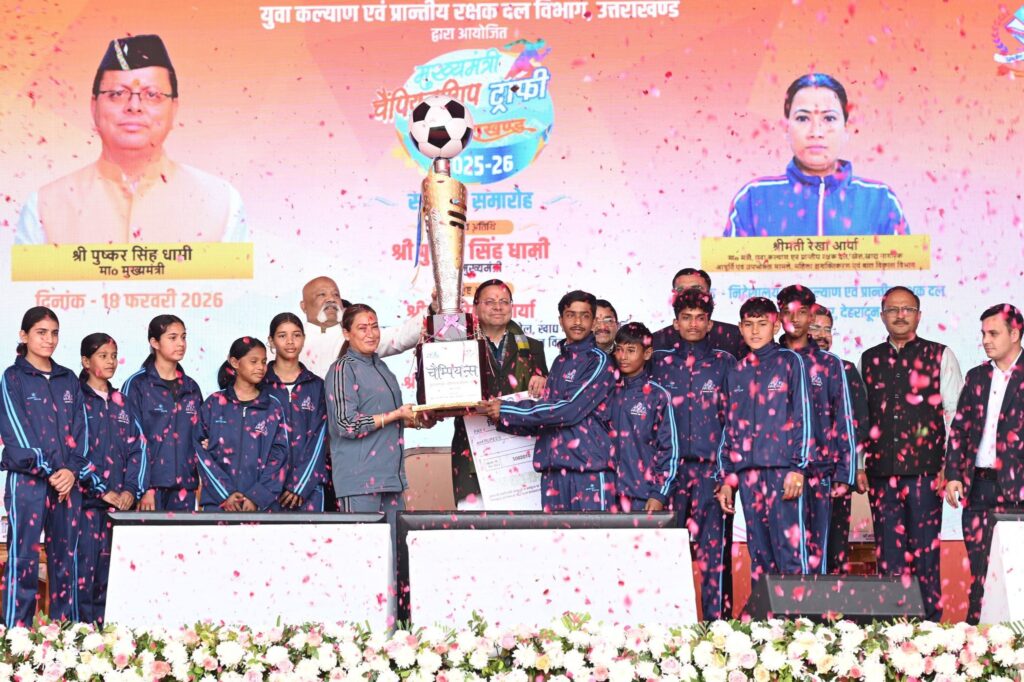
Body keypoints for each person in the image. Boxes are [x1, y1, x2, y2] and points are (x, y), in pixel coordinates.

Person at [16, 34, 246, 244]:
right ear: (94, 106)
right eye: (117, 94)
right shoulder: (44, 207)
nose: (134, 106)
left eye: (152, 95)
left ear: (174, 108)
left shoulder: (222, 203)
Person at [860, 285, 963, 621]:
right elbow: (861, 417)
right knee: (888, 554)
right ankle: (892, 626)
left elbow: (956, 415)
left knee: (925, 553)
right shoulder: (869, 359)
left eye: (907, 309)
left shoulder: (940, 354)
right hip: (880, 474)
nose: (900, 315)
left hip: (926, 474)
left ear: (919, 315)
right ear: (882, 316)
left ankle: (930, 625)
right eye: (893, 309)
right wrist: (859, 465)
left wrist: (951, 466)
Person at [724, 73, 908, 237]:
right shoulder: (753, 198)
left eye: (829, 118)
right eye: (803, 118)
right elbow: (730, 266)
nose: (816, 132)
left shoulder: (880, 200)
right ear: (786, 129)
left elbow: (906, 265)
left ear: (846, 129)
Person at [483, 290, 617, 511]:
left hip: (589, 473)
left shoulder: (599, 361)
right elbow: (546, 421)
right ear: (560, 320)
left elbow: (569, 410)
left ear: (593, 322)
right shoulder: (559, 362)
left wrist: (507, 410)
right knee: (555, 536)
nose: (577, 322)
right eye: (571, 315)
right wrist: (496, 416)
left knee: (595, 535)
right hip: (554, 474)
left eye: (584, 316)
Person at [0, 307, 88, 625]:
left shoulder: (68, 379)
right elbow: (16, 433)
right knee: (23, 558)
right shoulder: (13, 378)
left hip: (66, 483)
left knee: (66, 560)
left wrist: (71, 472)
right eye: (41, 332)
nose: (49, 339)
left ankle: (65, 634)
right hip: (28, 481)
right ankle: (16, 634)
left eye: (54, 333)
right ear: (24, 336)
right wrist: (53, 471)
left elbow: (82, 432)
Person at [651, 288, 734, 620]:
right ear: (675, 323)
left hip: (710, 473)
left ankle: (716, 628)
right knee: (664, 554)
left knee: (714, 556)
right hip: (667, 475)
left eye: (700, 318)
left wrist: (726, 475)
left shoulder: (725, 363)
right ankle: (666, 626)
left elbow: (734, 421)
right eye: (686, 318)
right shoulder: (658, 361)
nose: (693, 324)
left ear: (710, 323)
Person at [716, 297, 812, 582]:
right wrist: (727, 478)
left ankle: (798, 610)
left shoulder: (790, 361)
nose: (755, 331)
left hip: (783, 471)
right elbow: (729, 428)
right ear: (740, 328)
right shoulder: (736, 371)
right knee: (759, 554)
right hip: (748, 474)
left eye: (762, 324)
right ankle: (766, 612)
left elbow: (804, 417)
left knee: (790, 552)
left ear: (776, 325)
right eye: (749, 325)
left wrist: (798, 468)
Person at [945, 304, 1024, 624]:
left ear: (1015, 334)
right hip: (978, 486)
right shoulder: (977, 376)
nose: (986, 340)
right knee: (980, 568)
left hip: (1018, 489)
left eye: (993, 333)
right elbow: (960, 429)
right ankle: (977, 635)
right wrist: (953, 474)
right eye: (983, 334)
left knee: (1016, 571)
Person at [326, 305, 435, 531]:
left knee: (394, 548)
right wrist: (397, 414)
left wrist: (418, 421)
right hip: (360, 481)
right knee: (363, 547)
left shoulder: (381, 366)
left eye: (374, 327)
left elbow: (386, 418)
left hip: (391, 479)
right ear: (346, 333)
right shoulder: (342, 369)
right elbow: (346, 424)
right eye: (362, 328)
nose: (371, 334)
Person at [776, 286, 855, 575]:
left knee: (816, 553)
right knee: (778, 550)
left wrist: (845, 473)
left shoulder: (829, 364)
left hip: (819, 470)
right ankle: (776, 606)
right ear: (779, 316)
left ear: (811, 317)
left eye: (802, 313)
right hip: (775, 470)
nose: (794, 319)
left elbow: (843, 419)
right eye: (788, 312)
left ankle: (814, 606)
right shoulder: (766, 359)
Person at [451, 280, 548, 509]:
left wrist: (545, 382)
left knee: (523, 524)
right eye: (490, 301)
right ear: (475, 307)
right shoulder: (457, 345)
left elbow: (547, 401)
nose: (498, 307)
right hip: (472, 453)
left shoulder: (532, 348)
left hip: (520, 451)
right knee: (473, 522)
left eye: (504, 301)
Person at [77, 333, 141, 623]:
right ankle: (80, 636)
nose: (111, 361)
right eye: (103, 356)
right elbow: (71, 451)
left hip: (121, 508)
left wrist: (130, 490)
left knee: (115, 576)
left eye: (113, 356)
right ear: (85, 361)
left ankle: (110, 640)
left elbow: (138, 448)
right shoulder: (75, 399)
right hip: (85, 505)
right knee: (84, 575)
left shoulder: (122, 402)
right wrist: (101, 490)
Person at [809, 304, 870, 574]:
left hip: (835, 475)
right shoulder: (787, 366)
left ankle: (832, 602)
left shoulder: (844, 369)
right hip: (794, 475)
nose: (823, 335)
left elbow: (860, 423)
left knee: (834, 549)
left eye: (828, 329)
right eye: (815, 328)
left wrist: (849, 465)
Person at [121, 315, 204, 511]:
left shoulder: (191, 387)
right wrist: (144, 488)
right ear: (154, 342)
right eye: (173, 338)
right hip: (148, 490)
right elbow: (128, 439)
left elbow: (200, 438)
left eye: (183, 337)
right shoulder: (137, 384)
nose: (181, 343)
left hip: (185, 488)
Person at [195, 337, 288, 512]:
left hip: (261, 508)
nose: (260, 367)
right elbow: (199, 452)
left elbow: (280, 456)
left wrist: (256, 496)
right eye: (253, 361)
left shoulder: (273, 407)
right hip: (218, 505)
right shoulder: (214, 404)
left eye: (263, 362)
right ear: (235, 362)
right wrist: (226, 493)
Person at [608, 322, 678, 513]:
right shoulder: (606, 391)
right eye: (619, 350)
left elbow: (669, 450)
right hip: (606, 496)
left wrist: (659, 493)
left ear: (647, 353)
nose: (623, 357)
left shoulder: (657, 396)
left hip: (643, 496)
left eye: (631, 350)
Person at [264, 313, 329, 512]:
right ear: (271, 341)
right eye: (282, 336)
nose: (290, 341)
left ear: (304, 338)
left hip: (308, 490)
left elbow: (320, 439)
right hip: (265, 488)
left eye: (296, 335)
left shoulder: (317, 386)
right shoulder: (259, 385)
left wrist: (300, 484)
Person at [299, 275, 425, 377]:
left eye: (336, 295)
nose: (331, 299)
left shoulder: (356, 334)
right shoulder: (292, 339)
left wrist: (431, 310)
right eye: (322, 294)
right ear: (303, 306)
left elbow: (400, 337)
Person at [652, 268, 745, 359]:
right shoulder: (655, 342)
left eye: (696, 288)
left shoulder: (736, 337)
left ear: (709, 294)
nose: (688, 294)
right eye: (680, 290)